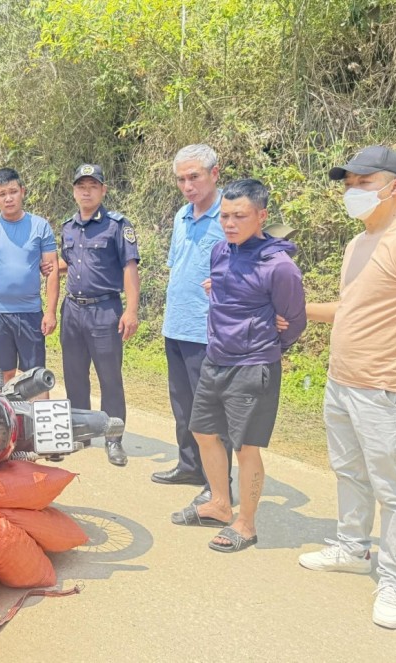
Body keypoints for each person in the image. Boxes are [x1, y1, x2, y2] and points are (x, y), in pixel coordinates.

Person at [297, 146, 396, 629]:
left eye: (364, 182)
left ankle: (395, 580)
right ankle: (352, 547)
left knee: (395, 489)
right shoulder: (359, 242)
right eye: (349, 183)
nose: (353, 191)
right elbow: (350, 308)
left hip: (384, 387)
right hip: (341, 380)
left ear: (395, 186)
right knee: (348, 471)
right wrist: (293, 307)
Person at [171, 179, 306, 555]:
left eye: (240, 216)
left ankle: (245, 523)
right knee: (202, 431)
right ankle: (218, 503)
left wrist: (266, 343)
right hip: (216, 358)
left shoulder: (280, 267)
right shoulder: (220, 251)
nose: (230, 223)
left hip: (252, 366)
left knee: (246, 448)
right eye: (226, 215)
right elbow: (228, 292)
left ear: (261, 215)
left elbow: (294, 320)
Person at [150, 144, 234, 507]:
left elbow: (251, 266)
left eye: (194, 177)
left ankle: (219, 483)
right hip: (177, 325)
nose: (188, 186)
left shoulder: (231, 216)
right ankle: (189, 464)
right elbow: (177, 267)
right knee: (182, 404)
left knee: (211, 409)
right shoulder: (182, 215)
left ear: (215, 174)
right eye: (181, 179)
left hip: (210, 330)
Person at [58, 164, 141, 466]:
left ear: (103, 190)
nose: (87, 191)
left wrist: (131, 310)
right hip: (72, 310)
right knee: (75, 375)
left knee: (109, 378)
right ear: (74, 191)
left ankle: (113, 438)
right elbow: (71, 261)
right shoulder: (68, 226)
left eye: (93, 185)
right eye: (81, 186)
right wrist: (51, 266)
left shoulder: (117, 226)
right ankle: (81, 433)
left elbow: (129, 268)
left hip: (105, 310)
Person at [0, 168, 60, 390]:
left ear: (23, 191)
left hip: (30, 313)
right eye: (2, 194)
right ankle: (8, 424)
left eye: (13, 191)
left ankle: (35, 424)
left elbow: (52, 271)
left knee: (36, 377)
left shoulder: (40, 226)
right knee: (5, 377)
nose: (8, 198)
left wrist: (50, 312)